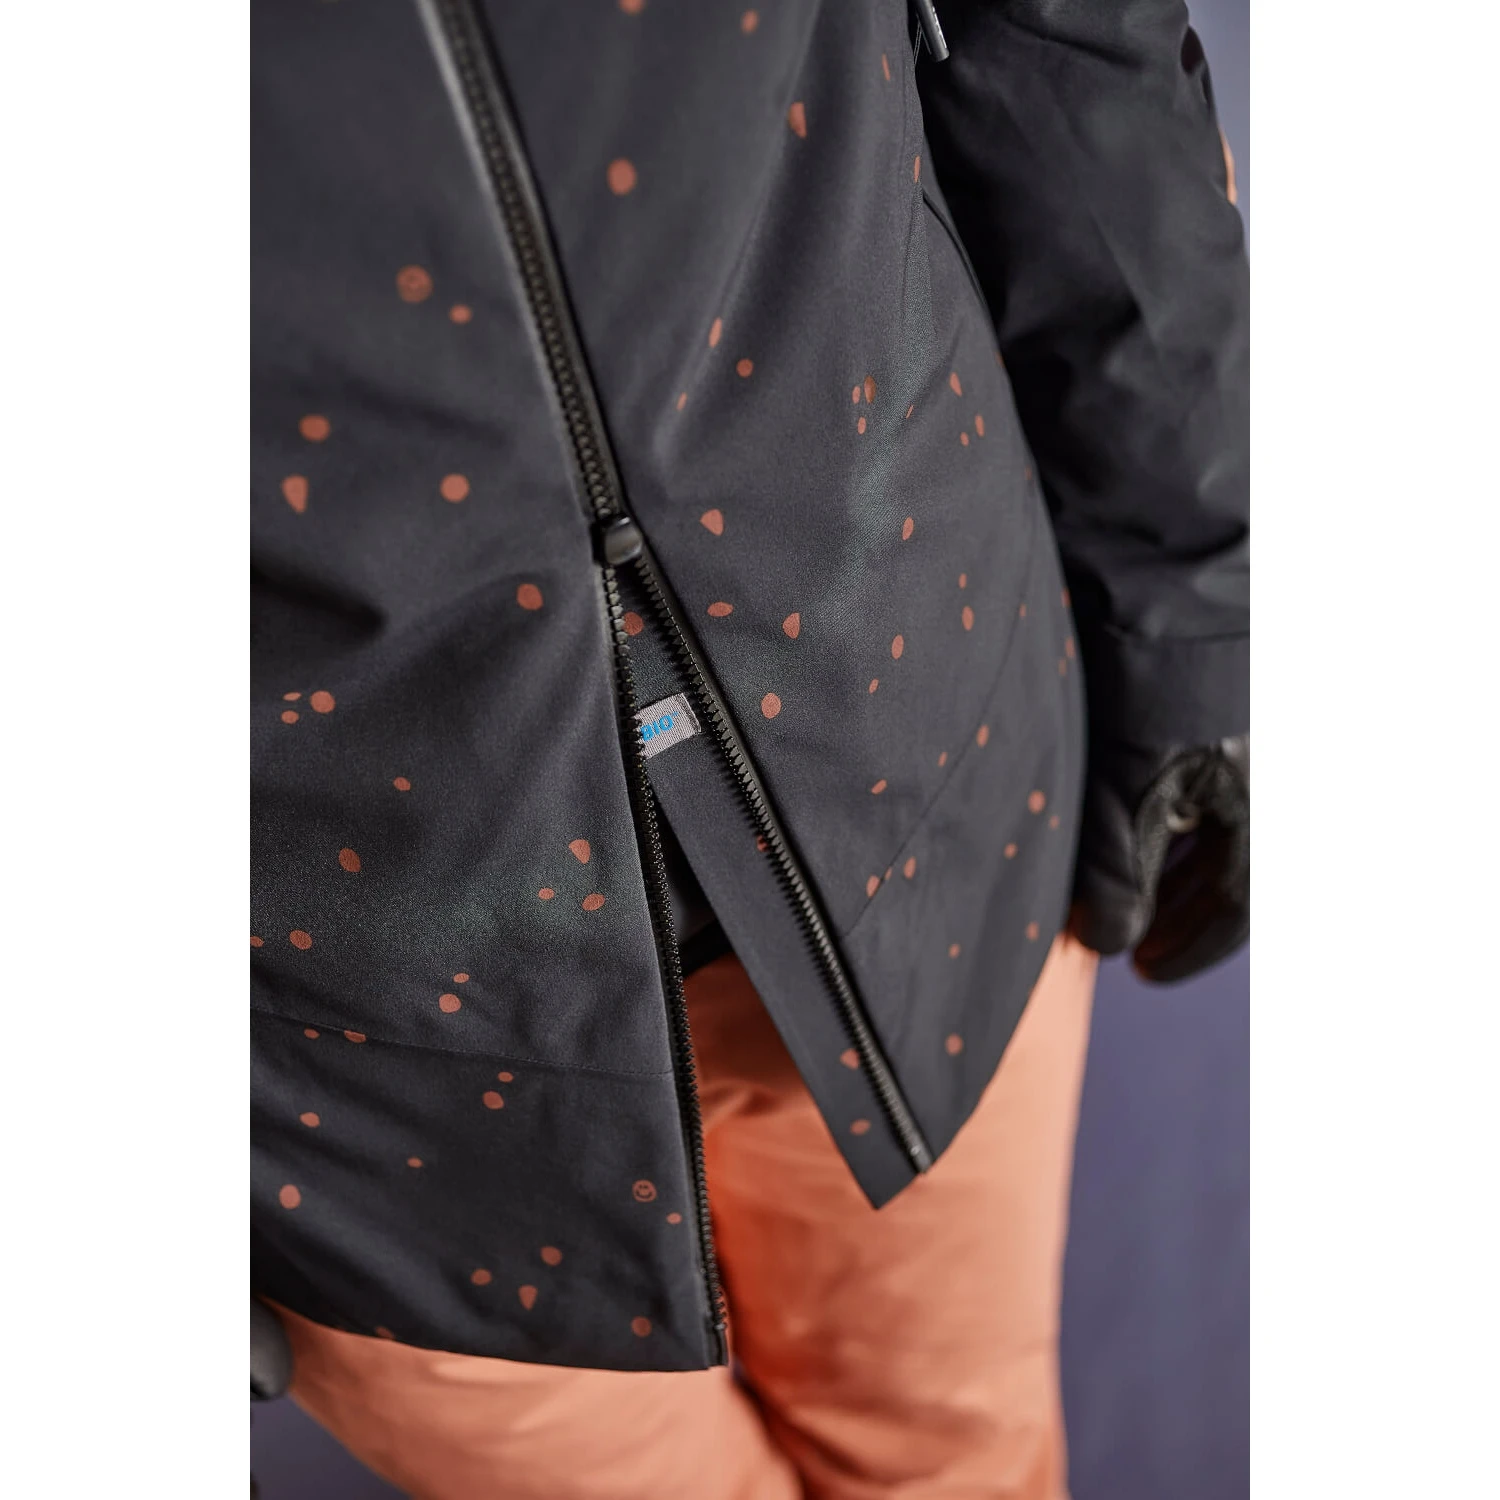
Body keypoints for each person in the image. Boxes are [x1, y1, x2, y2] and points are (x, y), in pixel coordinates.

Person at [250, 1, 1248, 1495]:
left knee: (956, 1461)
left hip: (917, 753)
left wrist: (1195, 612)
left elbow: (1067, 38)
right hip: (348, 1080)